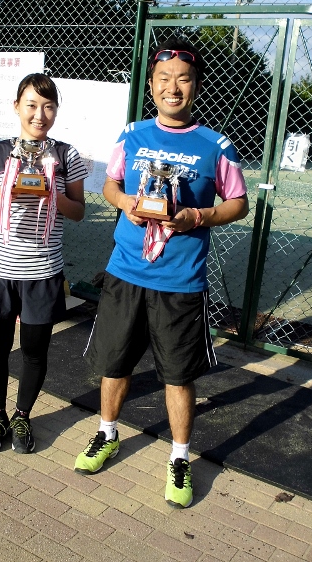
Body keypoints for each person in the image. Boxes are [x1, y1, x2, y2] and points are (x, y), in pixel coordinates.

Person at [74, 37, 249, 508]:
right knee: (114, 363)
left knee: (177, 375)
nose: (173, 87)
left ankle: (180, 457)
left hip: (179, 281)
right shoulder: (131, 135)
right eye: (164, 78)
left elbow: (238, 203)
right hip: (126, 272)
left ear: (196, 86)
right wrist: (126, 202)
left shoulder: (216, 146)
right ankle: (107, 432)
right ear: (151, 85)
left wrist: (198, 216)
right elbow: (111, 184)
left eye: (183, 79)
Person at [0, 73, 87, 454]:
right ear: (17, 107)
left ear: (56, 111)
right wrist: (5, 188)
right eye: (32, 105)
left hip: (42, 272)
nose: (40, 115)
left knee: (35, 352)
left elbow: (78, 212)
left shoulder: (66, 155)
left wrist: (52, 193)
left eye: (48, 106)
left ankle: (22, 416)